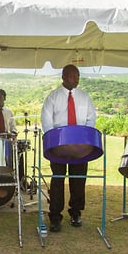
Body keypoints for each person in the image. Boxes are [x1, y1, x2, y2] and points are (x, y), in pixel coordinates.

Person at [41, 64, 96, 232]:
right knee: (58, 180)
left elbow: (90, 119)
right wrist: (58, 141)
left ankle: (76, 212)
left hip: (80, 147)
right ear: (64, 77)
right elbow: (47, 122)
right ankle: (55, 216)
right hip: (59, 146)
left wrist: (82, 141)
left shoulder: (85, 97)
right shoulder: (53, 97)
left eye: (78, 76)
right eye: (73, 76)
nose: (77, 79)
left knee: (78, 180)